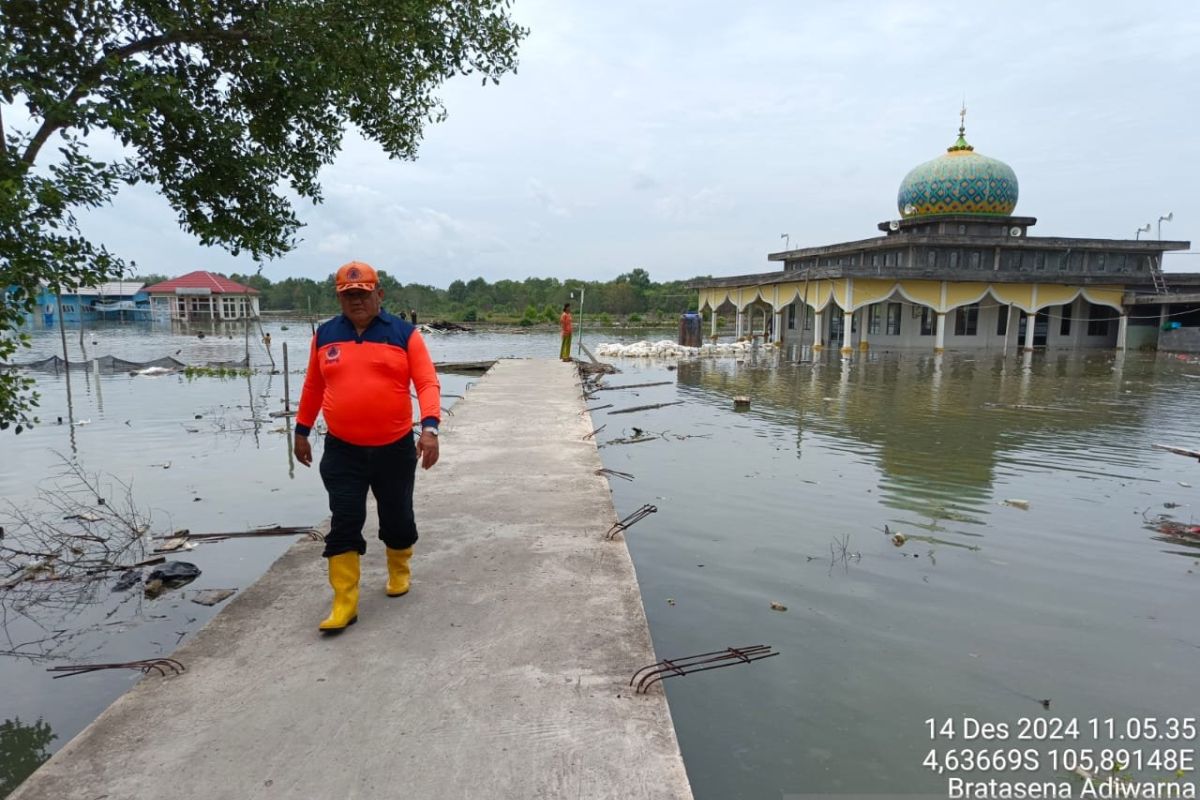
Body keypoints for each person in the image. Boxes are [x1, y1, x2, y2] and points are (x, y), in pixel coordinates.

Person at [293, 261, 441, 633]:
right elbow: (313, 387)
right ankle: (345, 601)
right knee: (344, 518)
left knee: (398, 518)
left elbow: (426, 383)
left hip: (394, 448)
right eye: (348, 295)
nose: (356, 301)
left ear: (379, 294)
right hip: (343, 450)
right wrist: (301, 430)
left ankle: (399, 569)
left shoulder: (404, 334)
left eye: (362, 294)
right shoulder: (325, 335)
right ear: (339, 298)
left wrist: (430, 429)